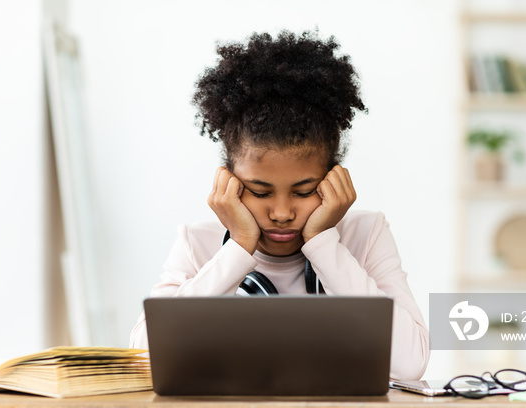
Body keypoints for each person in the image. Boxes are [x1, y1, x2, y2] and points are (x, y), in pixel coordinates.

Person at [130, 30, 429, 380]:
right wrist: (238, 248)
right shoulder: (197, 244)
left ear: (333, 180)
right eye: (259, 192)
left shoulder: (366, 233)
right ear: (229, 183)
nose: (282, 213)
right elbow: (143, 360)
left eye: (304, 192)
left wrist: (322, 242)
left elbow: (409, 365)